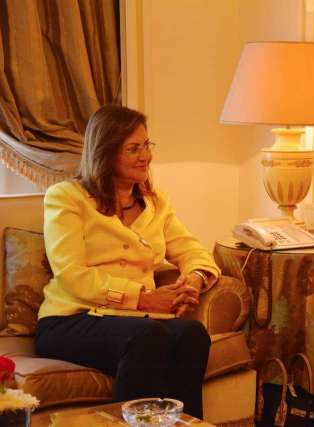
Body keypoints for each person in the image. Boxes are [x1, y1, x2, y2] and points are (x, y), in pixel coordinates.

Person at [35, 105, 221, 419]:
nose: (145, 156)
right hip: (71, 319)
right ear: (105, 153)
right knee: (147, 337)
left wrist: (194, 279)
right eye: (133, 148)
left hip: (136, 321)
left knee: (192, 334)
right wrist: (144, 299)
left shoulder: (155, 203)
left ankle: (184, 425)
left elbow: (191, 250)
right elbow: (71, 275)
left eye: (146, 145)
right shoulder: (66, 197)